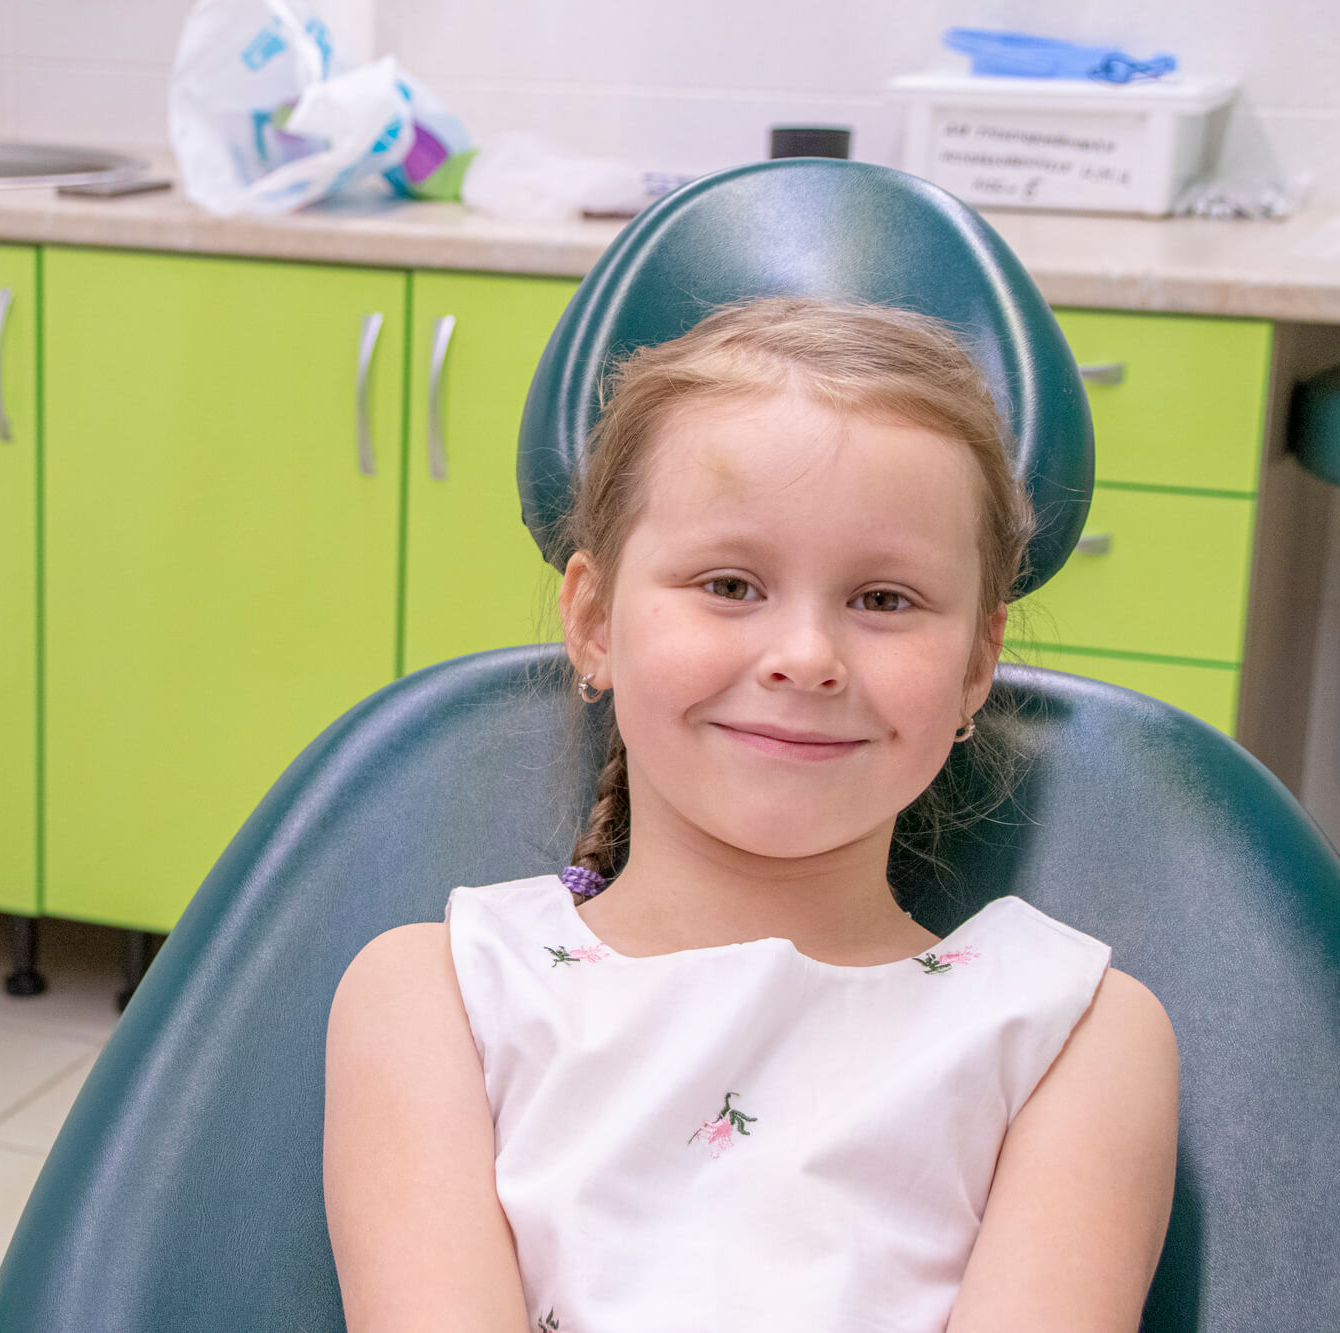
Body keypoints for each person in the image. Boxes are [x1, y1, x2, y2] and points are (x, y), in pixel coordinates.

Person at [323, 297, 1181, 1332]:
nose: (806, 656)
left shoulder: (1068, 1033)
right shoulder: (439, 999)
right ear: (593, 622)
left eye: (883, 600)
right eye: (729, 583)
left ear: (975, 665)